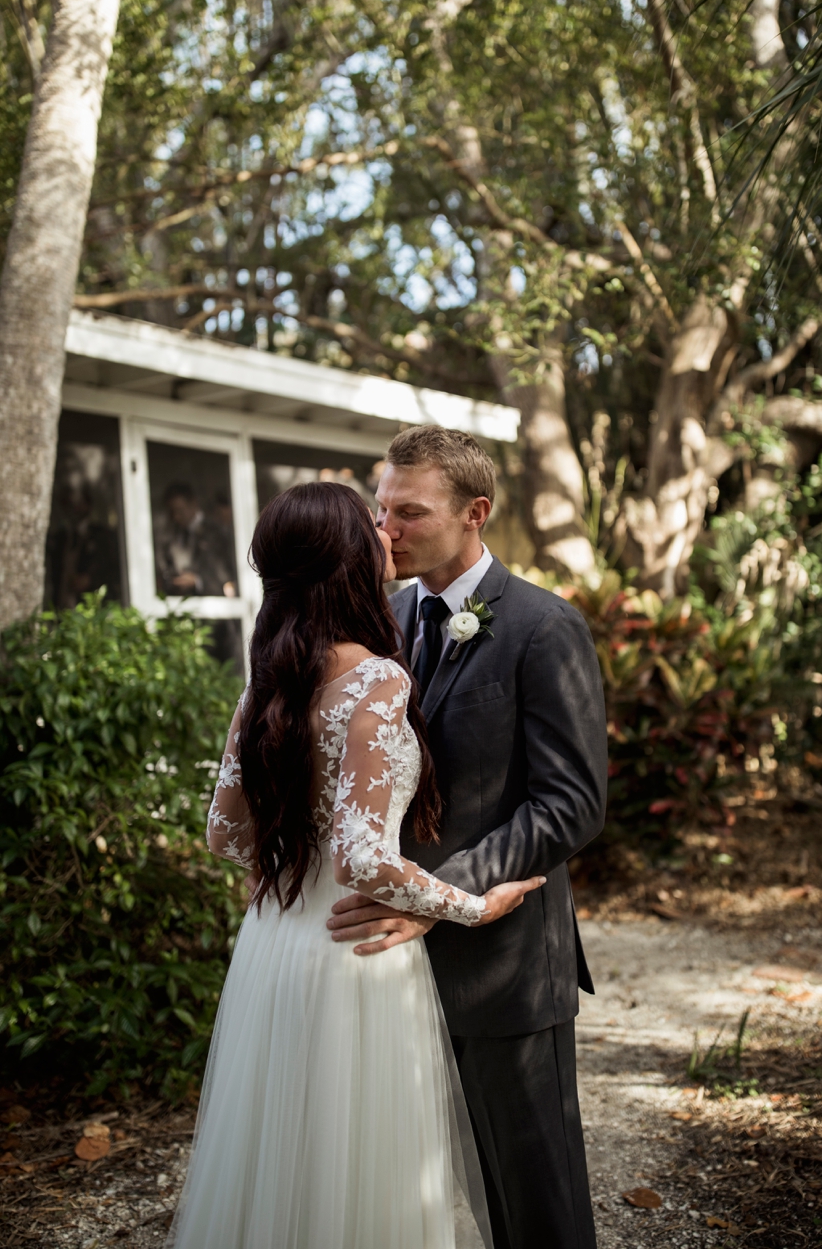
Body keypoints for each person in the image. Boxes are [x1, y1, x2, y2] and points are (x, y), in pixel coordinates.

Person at [169, 481, 543, 1249]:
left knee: (285, 1164)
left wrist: (290, 871)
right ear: (344, 561)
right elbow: (365, 857)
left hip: (278, 944)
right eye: (370, 522)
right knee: (362, 1172)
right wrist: (474, 906)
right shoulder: (375, 678)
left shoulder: (267, 679)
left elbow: (222, 833)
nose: (385, 531)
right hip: (355, 954)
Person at [327, 427, 608, 1249]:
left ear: (475, 514)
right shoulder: (382, 621)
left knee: (535, 1204)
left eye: (409, 513)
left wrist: (442, 902)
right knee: (426, 1194)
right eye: (381, 510)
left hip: (505, 962)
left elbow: (571, 804)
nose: (385, 531)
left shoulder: (544, 628)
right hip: (391, 965)